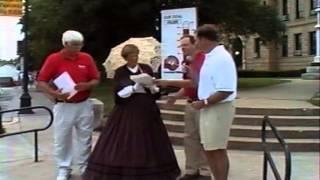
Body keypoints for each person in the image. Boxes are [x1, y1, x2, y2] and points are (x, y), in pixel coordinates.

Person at [83, 44, 180, 180]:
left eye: (136, 55)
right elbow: (118, 94)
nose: (135, 58)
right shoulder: (120, 72)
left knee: (151, 139)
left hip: (147, 109)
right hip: (127, 110)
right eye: (131, 56)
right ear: (126, 57)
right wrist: (134, 88)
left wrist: (152, 87)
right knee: (128, 139)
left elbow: (155, 90)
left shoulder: (145, 68)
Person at [37, 30, 100, 180]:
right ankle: (64, 168)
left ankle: (84, 166)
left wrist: (87, 85)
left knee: (85, 137)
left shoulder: (86, 58)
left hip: (84, 104)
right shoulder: (54, 59)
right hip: (64, 104)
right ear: (65, 44)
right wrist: (55, 94)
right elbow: (41, 81)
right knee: (62, 138)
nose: (78, 48)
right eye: (74, 45)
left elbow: (96, 79)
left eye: (80, 45)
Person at [155, 35, 211, 180]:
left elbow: (193, 83)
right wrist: (176, 96)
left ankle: (205, 171)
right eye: (181, 46)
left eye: (185, 45)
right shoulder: (188, 62)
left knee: (203, 138)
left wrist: (167, 82)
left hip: (203, 103)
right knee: (190, 138)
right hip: (190, 103)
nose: (183, 48)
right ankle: (191, 170)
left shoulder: (202, 60)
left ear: (195, 44)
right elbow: (188, 87)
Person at [191, 24, 237, 180]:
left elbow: (226, 90)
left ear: (204, 39)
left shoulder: (222, 58)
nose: (195, 43)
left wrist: (203, 102)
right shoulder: (209, 57)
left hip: (218, 109)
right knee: (209, 148)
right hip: (208, 108)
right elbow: (206, 83)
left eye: (197, 39)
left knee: (217, 149)